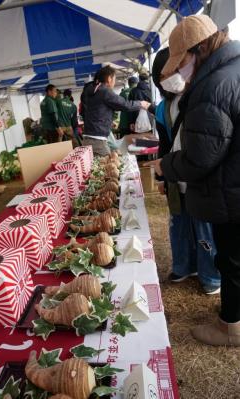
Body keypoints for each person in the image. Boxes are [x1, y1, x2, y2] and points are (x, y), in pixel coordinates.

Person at [146, 14, 240, 346]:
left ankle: (230, 326)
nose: (178, 71)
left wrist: (164, 167)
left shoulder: (213, 85)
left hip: (230, 191)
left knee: (230, 256)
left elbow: (201, 156)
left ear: (198, 49)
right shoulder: (233, 68)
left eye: (180, 61)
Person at [149, 47, 220, 295]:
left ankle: (211, 275)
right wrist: (160, 177)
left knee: (203, 227)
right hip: (174, 174)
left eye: (175, 69)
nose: (172, 76)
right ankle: (183, 265)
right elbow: (164, 144)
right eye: (164, 74)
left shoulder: (200, 93)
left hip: (199, 177)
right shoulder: (161, 108)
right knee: (178, 222)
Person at [82, 65, 142, 156]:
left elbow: (98, 111)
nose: (114, 82)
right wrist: (141, 104)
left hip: (88, 137)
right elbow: (125, 105)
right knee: (107, 166)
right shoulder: (104, 91)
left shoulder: (93, 90)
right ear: (109, 78)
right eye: (114, 78)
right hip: (98, 140)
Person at [128, 66, 151, 131]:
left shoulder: (133, 91)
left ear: (139, 78)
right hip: (151, 121)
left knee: (139, 140)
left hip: (137, 121)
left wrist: (131, 122)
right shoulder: (152, 90)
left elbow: (130, 107)